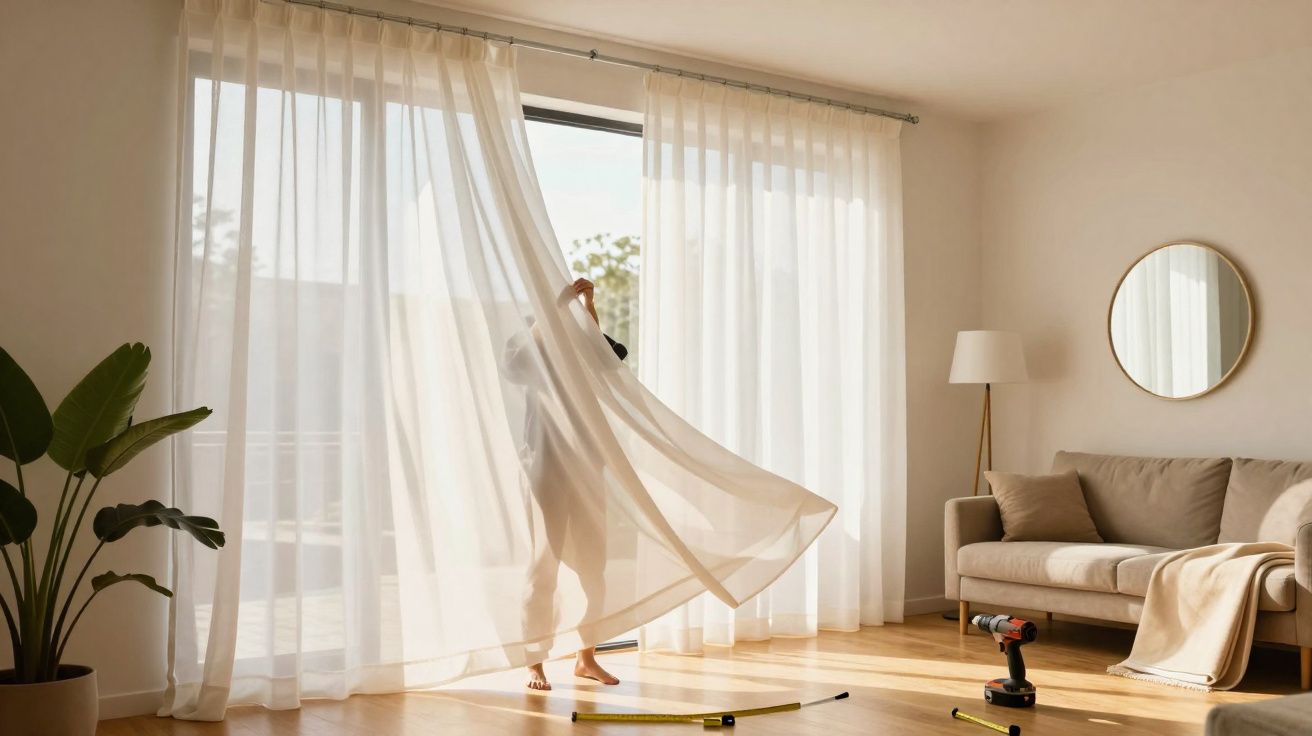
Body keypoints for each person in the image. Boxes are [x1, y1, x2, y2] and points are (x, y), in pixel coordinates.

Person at [504, 277, 626, 691]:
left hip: (588, 467)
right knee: (544, 567)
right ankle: (534, 662)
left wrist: (589, 306)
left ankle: (585, 658)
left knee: (595, 568)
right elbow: (515, 365)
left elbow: (612, 360)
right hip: (545, 469)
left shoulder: (583, 344)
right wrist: (549, 313)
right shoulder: (530, 339)